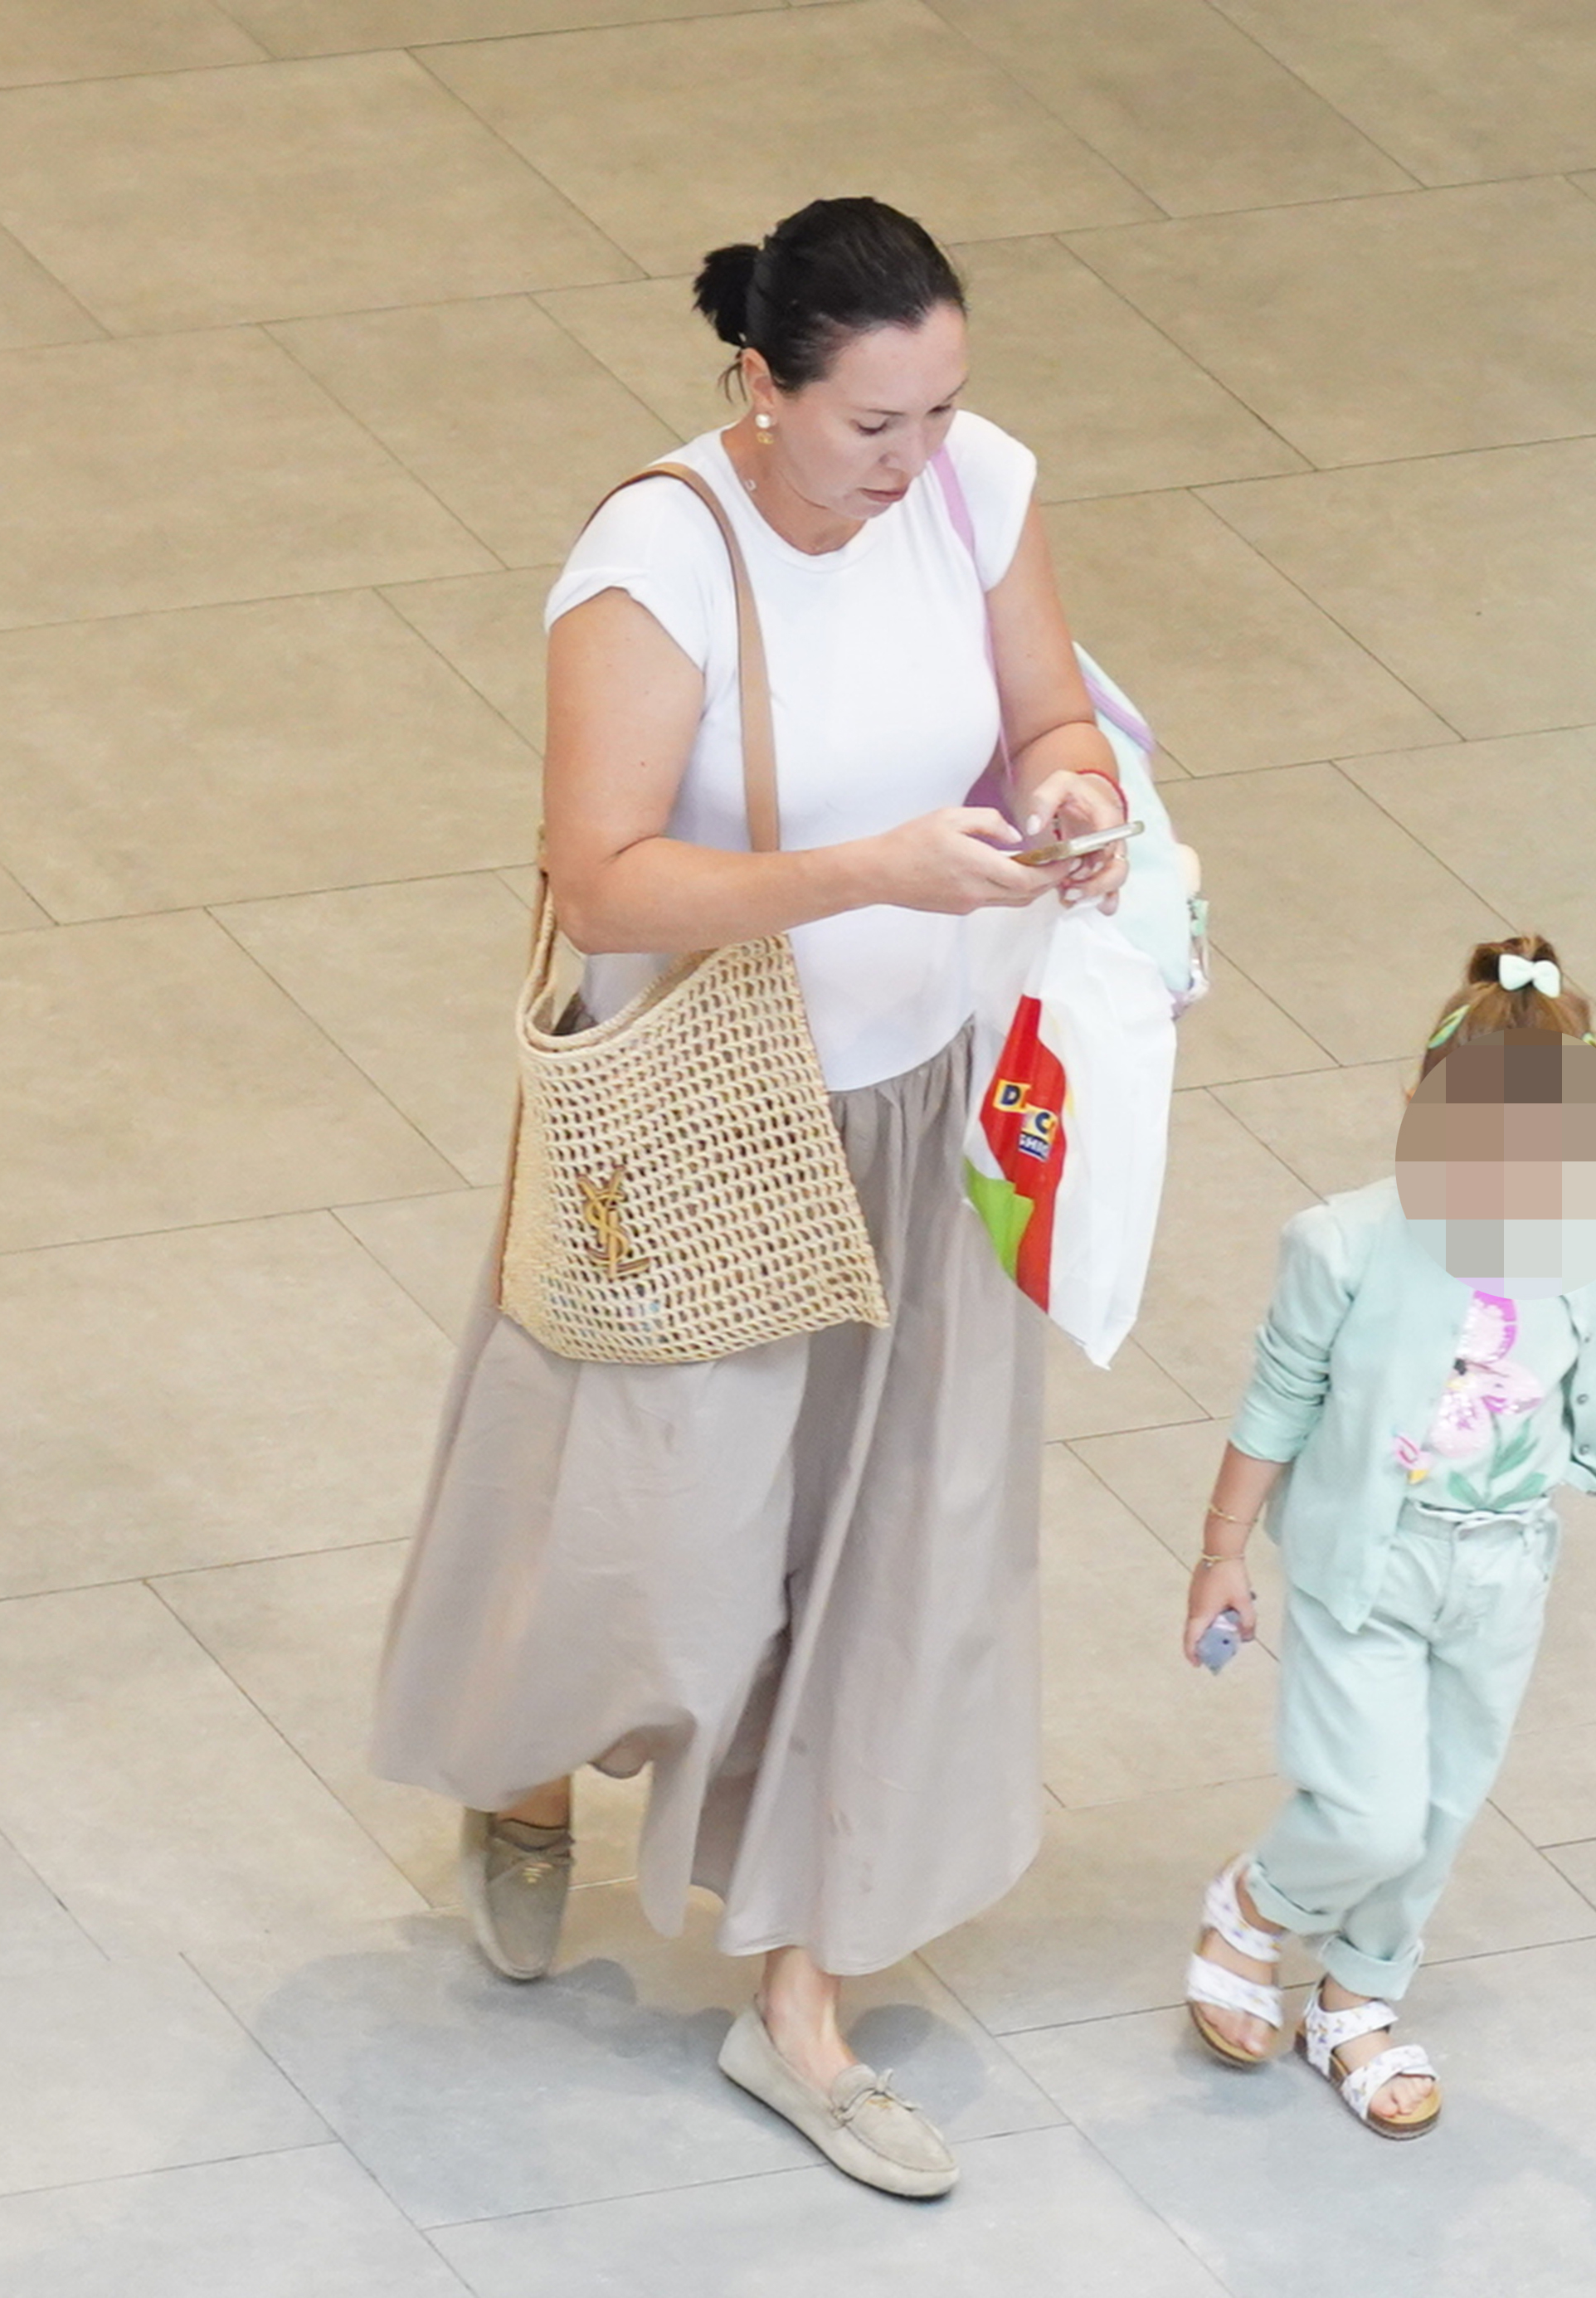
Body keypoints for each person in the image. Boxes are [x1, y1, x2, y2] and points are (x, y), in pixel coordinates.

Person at [368, 195, 1128, 2201]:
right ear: (760, 389)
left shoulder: (977, 491)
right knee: (652, 1533)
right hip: (717, 1114)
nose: (918, 460)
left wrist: (1075, 797)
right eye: (876, 424)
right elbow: (604, 876)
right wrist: (870, 870)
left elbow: (1052, 713)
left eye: (944, 408)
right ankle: (524, 1756)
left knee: (903, 1558)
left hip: (929, 1101)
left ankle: (803, 1994)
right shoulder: (655, 561)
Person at [1175, 936, 1596, 2136]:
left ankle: (1358, 1994)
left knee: (1445, 1804)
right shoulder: (1343, 1244)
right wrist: (1221, 1553)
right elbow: (1276, 1403)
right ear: (1419, 1110)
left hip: (1505, 1566)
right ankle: (1256, 1906)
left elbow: (1577, 1364)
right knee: (1368, 1808)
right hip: (1374, 1563)